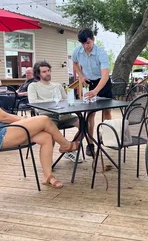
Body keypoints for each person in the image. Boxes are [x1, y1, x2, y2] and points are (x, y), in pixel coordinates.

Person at [0, 108, 79, 188]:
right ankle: (66, 145)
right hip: (2, 133)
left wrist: (25, 120)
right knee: (44, 120)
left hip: (4, 128)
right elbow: (4, 117)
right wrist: (23, 119)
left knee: (46, 137)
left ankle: (47, 176)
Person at [28, 61, 81, 163]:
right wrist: (53, 101)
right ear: (38, 74)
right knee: (49, 136)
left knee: (85, 124)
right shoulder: (33, 86)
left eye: (48, 71)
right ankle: (48, 163)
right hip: (47, 117)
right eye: (44, 71)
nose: (47, 73)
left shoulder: (57, 85)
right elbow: (33, 102)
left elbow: (65, 101)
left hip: (63, 115)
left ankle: (69, 148)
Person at [72, 28, 112, 156]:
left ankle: (106, 136)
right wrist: (81, 75)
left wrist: (96, 91)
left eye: (88, 43)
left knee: (107, 110)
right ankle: (90, 144)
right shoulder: (77, 51)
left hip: (103, 82)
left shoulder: (101, 53)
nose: (86, 46)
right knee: (90, 114)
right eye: (83, 43)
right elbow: (74, 63)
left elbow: (105, 75)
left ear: (93, 39)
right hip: (89, 82)